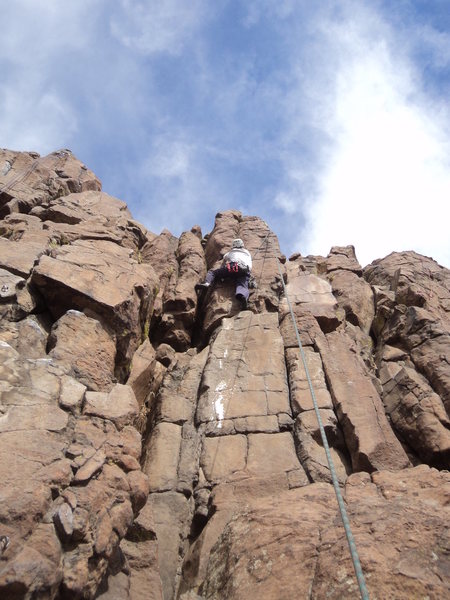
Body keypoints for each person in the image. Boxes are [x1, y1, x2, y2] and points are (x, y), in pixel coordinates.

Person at [195, 239, 252, 308]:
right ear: (242, 245)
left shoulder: (230, 252)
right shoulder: (247, 252)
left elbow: (224, 261)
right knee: (242, 285)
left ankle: (207, 283)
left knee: (213, 272)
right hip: (244, 270)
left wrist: (222, 274)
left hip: (233, 267)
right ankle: (242, 295)